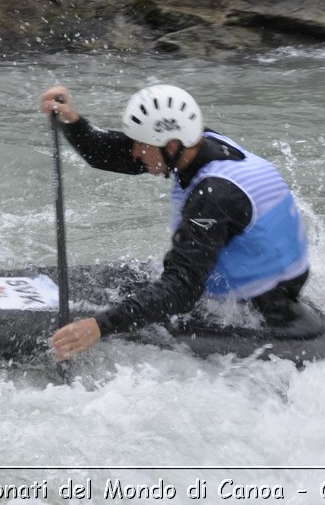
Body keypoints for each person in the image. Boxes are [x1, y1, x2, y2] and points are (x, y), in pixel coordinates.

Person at [41, 83, 311, 362]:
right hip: (275, 280)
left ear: (170, 145)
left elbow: (182, 290)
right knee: (135, 290)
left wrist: (98, 327)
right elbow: (110, 153)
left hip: (256, 307)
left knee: (147, 299)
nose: (134, 153)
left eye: (140, 145)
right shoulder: (196, 144)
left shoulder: (214, 196)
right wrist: (71, 120)